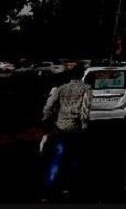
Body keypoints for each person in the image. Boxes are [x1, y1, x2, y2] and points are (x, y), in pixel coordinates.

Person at [40, 60, 92, 200]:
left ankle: (48, 189)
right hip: (76, 129)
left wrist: (45, 119)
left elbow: (48, 106)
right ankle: (69, 187)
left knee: (57, 158)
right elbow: (85, 110)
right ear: (82, 75)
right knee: (74, 159)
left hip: (61, 127)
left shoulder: (61, 88)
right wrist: (84, 126)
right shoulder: (86, 88)